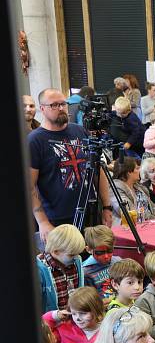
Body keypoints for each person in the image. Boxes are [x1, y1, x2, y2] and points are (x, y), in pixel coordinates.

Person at [29, 89, 112, 243]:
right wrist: (42, 222)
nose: (61, 108)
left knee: (95, 262)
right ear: (42, 108)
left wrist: (107, 207)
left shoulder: (79, 130)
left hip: (91, 212)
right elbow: (29, 186)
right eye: (54, 105)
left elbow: (97, 170)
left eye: (63, 104)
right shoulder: (35, 140)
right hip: (58, 218)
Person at [36, 223, 85, 312]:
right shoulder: (39, 270)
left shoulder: (77, 260)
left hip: (74, 317)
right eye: (71, 255)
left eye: (78, 253)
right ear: (56, 251)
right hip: (50, 322)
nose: (76, 257)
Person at [110, 157, 155, 225]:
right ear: (128, 172)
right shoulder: (116, 188)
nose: (140, 171)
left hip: (147, 224)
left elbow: (151, 205)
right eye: (137, 168)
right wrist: (153, 218)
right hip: (128, 228)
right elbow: (128, 212)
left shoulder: (137, 186)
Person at [83, 225, 121, 303]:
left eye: (110, 250)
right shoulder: (85, 271)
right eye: (100, 253)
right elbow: (88, 300)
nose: (106, 256)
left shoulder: (118, 262)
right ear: (89, 250)